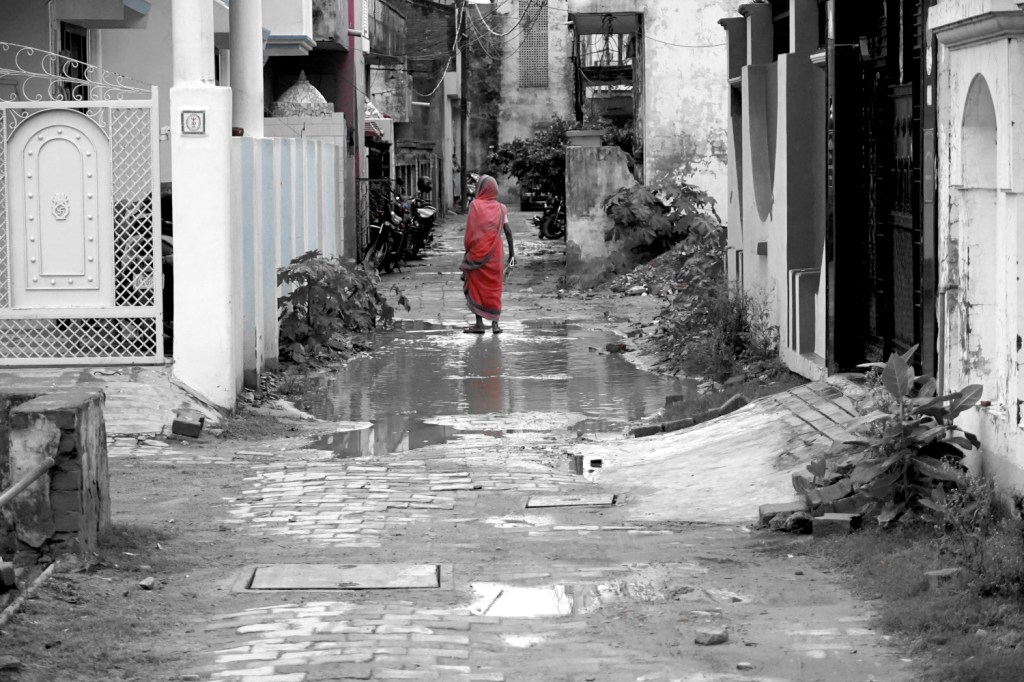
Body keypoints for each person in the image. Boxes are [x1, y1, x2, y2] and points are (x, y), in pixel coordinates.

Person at [460, 175, 515, 334]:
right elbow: (508, 232)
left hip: (477, 253)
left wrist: (467, 253)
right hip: (495, 255)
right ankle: (495, 325)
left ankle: (479, 324)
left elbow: (470, 233)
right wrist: (512, 255)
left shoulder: (474, 206)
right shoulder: (501, 208)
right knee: (495, 288)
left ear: (481, 188)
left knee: (477, 287)